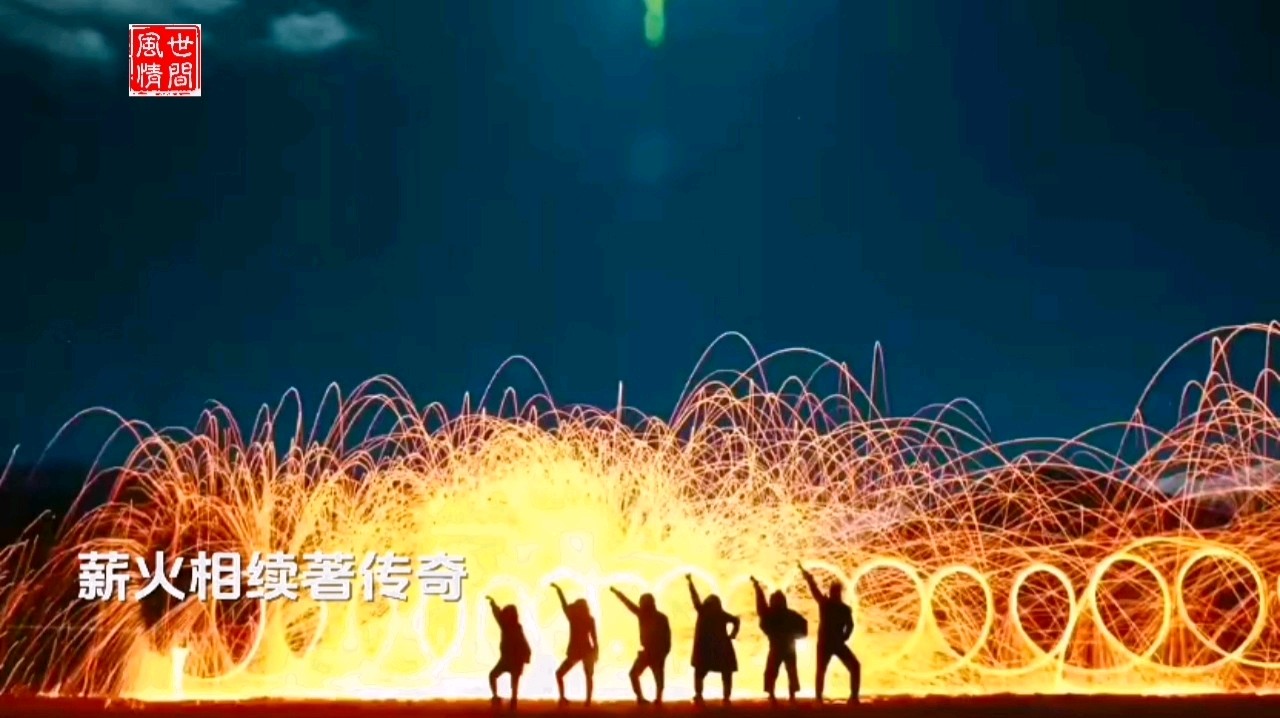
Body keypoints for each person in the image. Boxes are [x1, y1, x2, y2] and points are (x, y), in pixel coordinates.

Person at [797, 562, 861, 704]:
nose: (835, 594)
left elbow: (850, 625)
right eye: (834, 591)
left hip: (829, 643)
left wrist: (844, 637)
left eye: (836, 591)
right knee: (826, 670)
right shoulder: (832, 606)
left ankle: (849, 697)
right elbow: (850, 626)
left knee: (829, 669)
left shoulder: (832, 606)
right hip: (830, 643)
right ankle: (826, 698)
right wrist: (844, 637)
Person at [610, 586, 672, 705]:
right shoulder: (658, 617)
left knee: (649, 676)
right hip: (652, 652)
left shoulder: (648, 615)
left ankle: (648, 698)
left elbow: (629, 604)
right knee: (654, 676)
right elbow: (629, 604)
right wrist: (665, 651)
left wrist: (617, 593)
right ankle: (653, 699)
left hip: (653, 652)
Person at [686, 573, 741, 706]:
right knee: (725, 673)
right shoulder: (719, 614)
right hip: (720, 648)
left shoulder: (704, 612)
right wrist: (732, 634)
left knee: (700, 672)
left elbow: (695, 599)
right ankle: (725, 697)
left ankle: (700, 695)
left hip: (707, 649)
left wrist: (690, 582)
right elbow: (736, 620)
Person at [751, 576, 806, 705]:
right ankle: (790, 696)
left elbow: (761, 606)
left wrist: (757, 587)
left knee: (774, 671)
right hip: (788, 646)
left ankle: (774, 695)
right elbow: (803, 626)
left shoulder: (773, 614)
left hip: (777, 646)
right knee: (789, 671)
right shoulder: (789, 614)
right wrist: (797, 635)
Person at [551, 583, 598, 706]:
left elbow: (564, 605)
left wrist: (559, 590)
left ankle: (563, 698)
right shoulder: (588, 619)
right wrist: (596, 651)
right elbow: (594, 638)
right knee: (588, 676)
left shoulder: (573, 618)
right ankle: (587, 701)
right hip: (586, 650)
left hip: (576, 650)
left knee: (560, 673)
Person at [486, 596, 531, 710]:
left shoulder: (514, 627)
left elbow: (523, 642)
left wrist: (526, 655)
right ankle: (499, 698)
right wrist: (493, 604)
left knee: (513, 682)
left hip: (515, 659)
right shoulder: (507, 625)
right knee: (494, 676)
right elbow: (498, 615)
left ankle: (513, 701)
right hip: (507, 659)